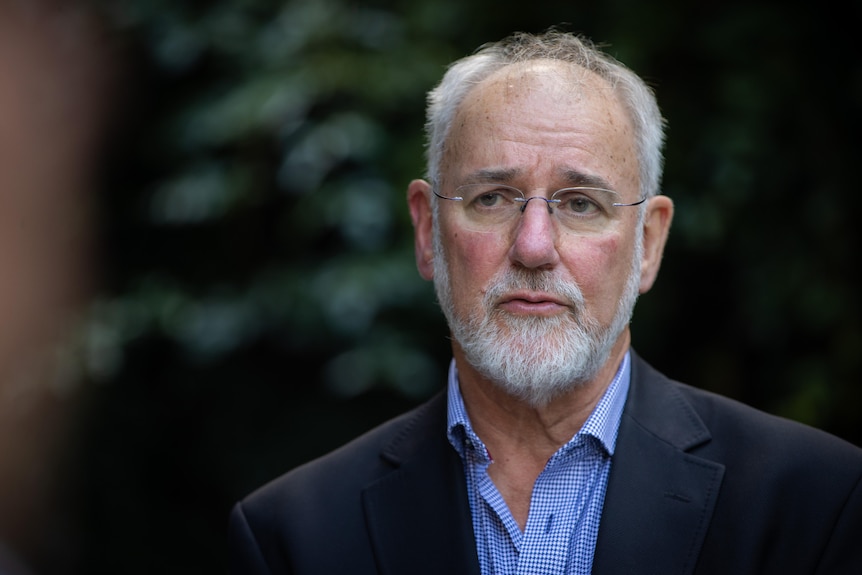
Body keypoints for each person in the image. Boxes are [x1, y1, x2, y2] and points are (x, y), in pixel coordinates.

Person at [227, 29, 862, 574]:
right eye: (493, 198)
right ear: (428, 232)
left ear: (648, 243)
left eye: (581, 203)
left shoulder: (818, 502)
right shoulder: (296, 536)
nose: (533, 247)